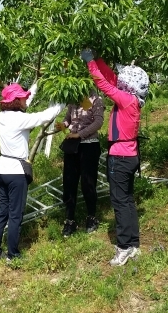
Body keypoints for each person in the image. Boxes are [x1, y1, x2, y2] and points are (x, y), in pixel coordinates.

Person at [82, 49, 149, 266]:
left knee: (119, 203)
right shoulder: (132, 100)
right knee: (127, 200)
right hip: (128, 156)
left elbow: (105, 85)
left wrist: (91, 63)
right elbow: (112, 79)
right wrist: (99, 59)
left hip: (119, 158)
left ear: (129, 85)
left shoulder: (127, 100)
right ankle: (133, 244)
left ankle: (123, 247)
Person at [0, 82, 63, 263]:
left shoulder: (3, 116)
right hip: (15, 173)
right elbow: (46, 116)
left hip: (2, 170)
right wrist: (63, 101)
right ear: (16, 101)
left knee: (2, 213)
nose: (25, 99)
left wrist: (36, 85)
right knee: (15, 215)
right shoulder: (20, 119)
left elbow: (24, 105)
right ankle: (12, 254)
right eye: (23, 97)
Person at [55, 90, 104, 237]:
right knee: (69, 182)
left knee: (88, 182)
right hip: (72, 145)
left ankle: (91, 217)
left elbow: (98, 122)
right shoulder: (73, 99)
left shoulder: (96, 99)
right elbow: (68, 119)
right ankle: (70, 220)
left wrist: (80, 134)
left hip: (89, 145)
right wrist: (63, 125)